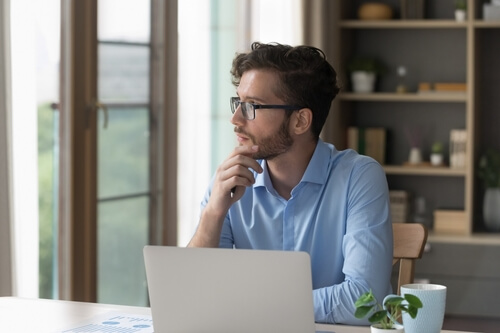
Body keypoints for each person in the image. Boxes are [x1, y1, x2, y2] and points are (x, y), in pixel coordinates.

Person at [188, 42, 393, 325]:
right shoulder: (230, 179)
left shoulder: (359, 178)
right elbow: (190, 295)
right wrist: (213, 213)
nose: (235, 119)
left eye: (252, 107)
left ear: (300, 121)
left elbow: (365, 301)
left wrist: (258, 305)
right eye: (238, 103)